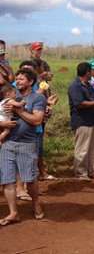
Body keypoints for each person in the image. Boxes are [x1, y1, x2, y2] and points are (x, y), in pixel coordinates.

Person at [0, 68, 46, 225]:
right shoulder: (10, 96)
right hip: (7, 143)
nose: (17, 81)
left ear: (31, 82)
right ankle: (13, 212)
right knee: (7, 179)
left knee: (31, 179)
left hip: (27, 143)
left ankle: (35, 204)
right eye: (17, 79)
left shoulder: (37, 98)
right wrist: (3, 123)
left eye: (21, 79)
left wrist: (18, 110)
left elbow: (37, 120)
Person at [69, 62, 94, 179]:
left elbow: (93, 99)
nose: (93, 73)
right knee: (82, 149)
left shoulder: (87, 85)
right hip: (82, 121)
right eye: (91, 71)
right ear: (87, 72)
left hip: (92, 120)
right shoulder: (75, 86)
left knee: (91, 149)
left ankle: (90, 170)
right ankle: (81, 173)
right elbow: (80, 104)